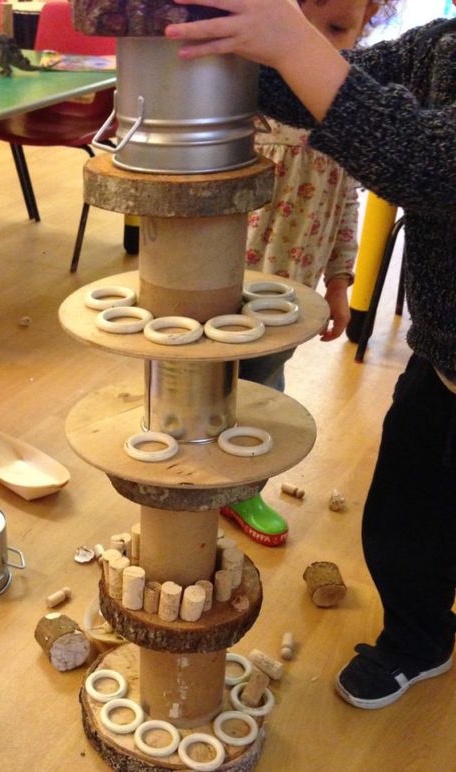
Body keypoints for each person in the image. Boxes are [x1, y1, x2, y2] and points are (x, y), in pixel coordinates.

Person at [166, 0, 456, 710]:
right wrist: (227, 40)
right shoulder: (442, 43)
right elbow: (333, 83)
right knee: (404, 514)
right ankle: (419, 636)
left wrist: (294, 41)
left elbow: (430, 163)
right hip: (442, 350)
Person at [223, 0, 398, 546]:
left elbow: (348, 203)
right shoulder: (245, 93)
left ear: (369, 23)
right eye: (301, 22)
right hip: (218, 284)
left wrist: (341, 285)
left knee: (263, 392)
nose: (315, 42)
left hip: (291, 297)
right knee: (198, 385)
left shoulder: (349, 105)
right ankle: (195, 476)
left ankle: (242, 487)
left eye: (339, 27)